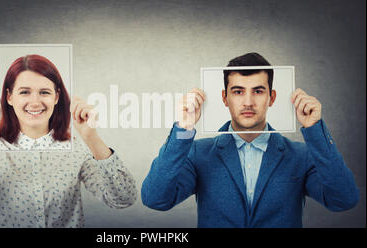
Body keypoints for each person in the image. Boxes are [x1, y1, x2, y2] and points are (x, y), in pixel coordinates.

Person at [141, 52, 359, 227]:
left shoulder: (301, 155)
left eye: (258, 91)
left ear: (271, 97)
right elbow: (155, 199)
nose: (247, 102)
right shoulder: (199, 153)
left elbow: (344, 199)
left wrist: (315, 131)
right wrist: (184, 129)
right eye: (237, 91)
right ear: (225, 98)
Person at [0, 54, 137, 227]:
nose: (35, 102)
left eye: (44, 92)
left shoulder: (77, 150)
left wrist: (92, 138)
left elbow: (123, 199)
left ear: (56, 97)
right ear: (9, 97)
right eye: (24, 92)